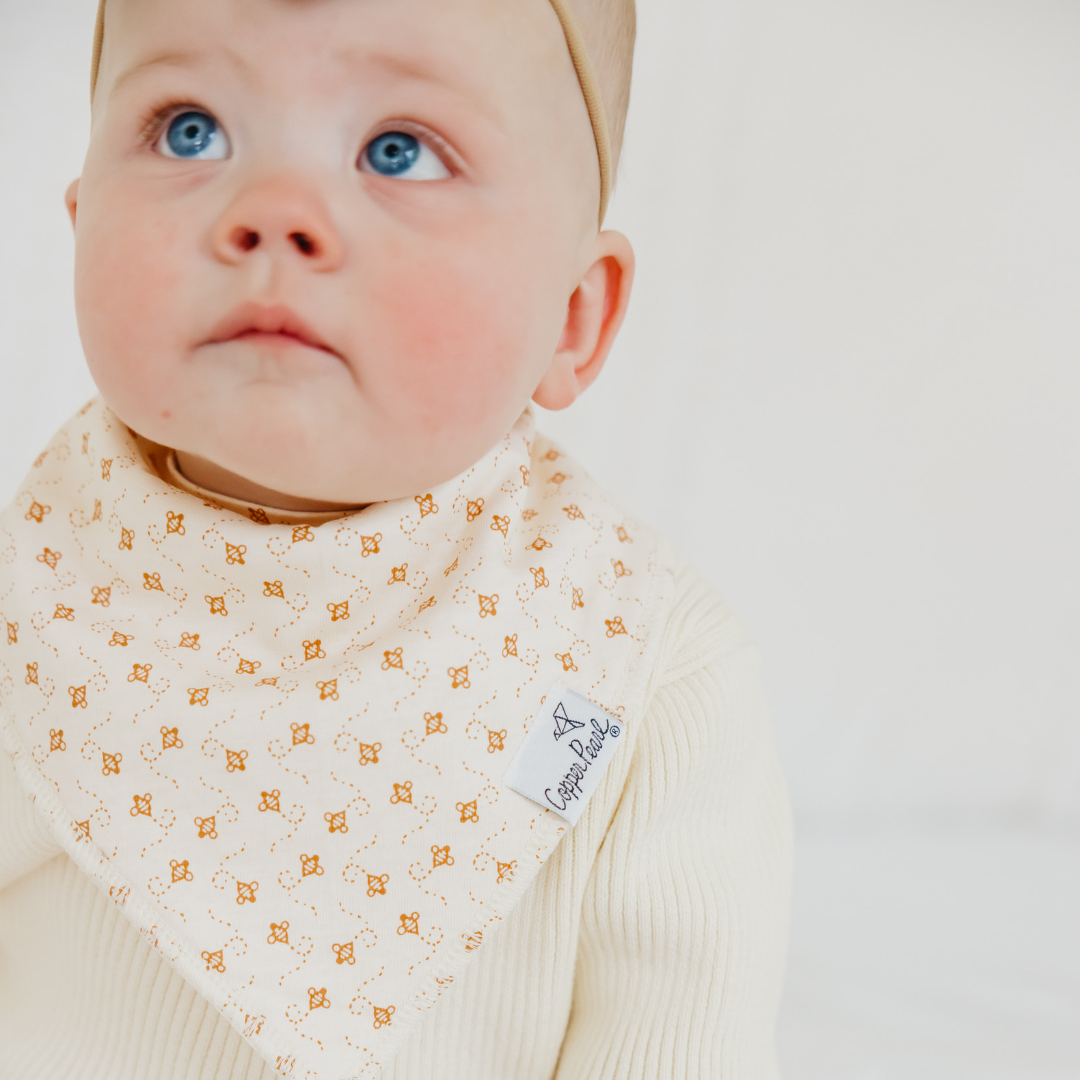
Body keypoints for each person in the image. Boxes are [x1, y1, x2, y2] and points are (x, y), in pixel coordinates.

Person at [0, 0, 793, 1076]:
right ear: (80, 223)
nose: (275, 212)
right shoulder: (33, 587)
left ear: (572, 316)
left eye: (398, 152)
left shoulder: (635, 667)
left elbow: (680, 1036)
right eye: (191, 129)